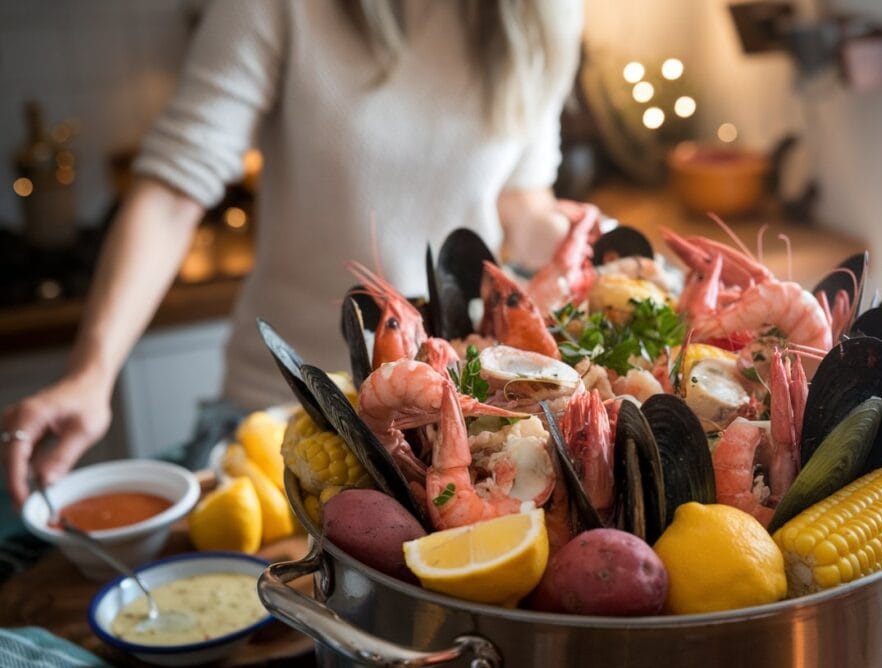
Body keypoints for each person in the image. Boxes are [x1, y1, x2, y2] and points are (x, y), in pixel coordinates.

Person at [2, 0, 583, 507]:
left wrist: (567, 235)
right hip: (279, 416)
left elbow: (520, 200)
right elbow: (175, 190)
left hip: (451, 420)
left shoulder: (539, 13)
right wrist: (91, 373)